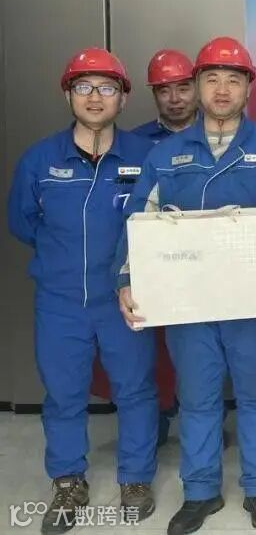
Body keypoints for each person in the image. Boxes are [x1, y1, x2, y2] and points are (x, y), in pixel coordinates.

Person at [117, 37, 256, 535]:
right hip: (189, 304)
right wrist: (126, 278)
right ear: (198, 86)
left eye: (234, 80)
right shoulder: (167, 154)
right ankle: (200, 492)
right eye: (212, 79)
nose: (222, 89)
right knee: (197, 398)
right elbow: (139, 220)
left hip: (253, 301)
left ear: (248, 88)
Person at [8, 49, 158, 533]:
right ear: (68, 95)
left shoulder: (144, 156)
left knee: (135, 390)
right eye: (84, 87)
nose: (95, 97)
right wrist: (63, 260)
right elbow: (22, 222)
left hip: (125, 299)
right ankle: (68, 481)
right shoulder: (40, 160)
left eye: (107, 88)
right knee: (64, 394)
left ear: (123, 98)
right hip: (61, 302)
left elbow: (161, 221)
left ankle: (136, 478)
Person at [130, 48, 200, 447]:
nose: (174, 98)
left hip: (207, 266)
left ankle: (200, 424)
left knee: (201, 354)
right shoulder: (137, 144)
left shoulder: (220, 136)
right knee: (154, 351)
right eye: (164, 90)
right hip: (158, 265)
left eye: (183, 87)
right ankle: (156, 419)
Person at [132, 49, 199, 143]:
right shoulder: (136, 140)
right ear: (155, 94)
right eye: (164, 91)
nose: (174, 99)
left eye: (182, 90)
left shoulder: (216, 133)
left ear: (197, 89)